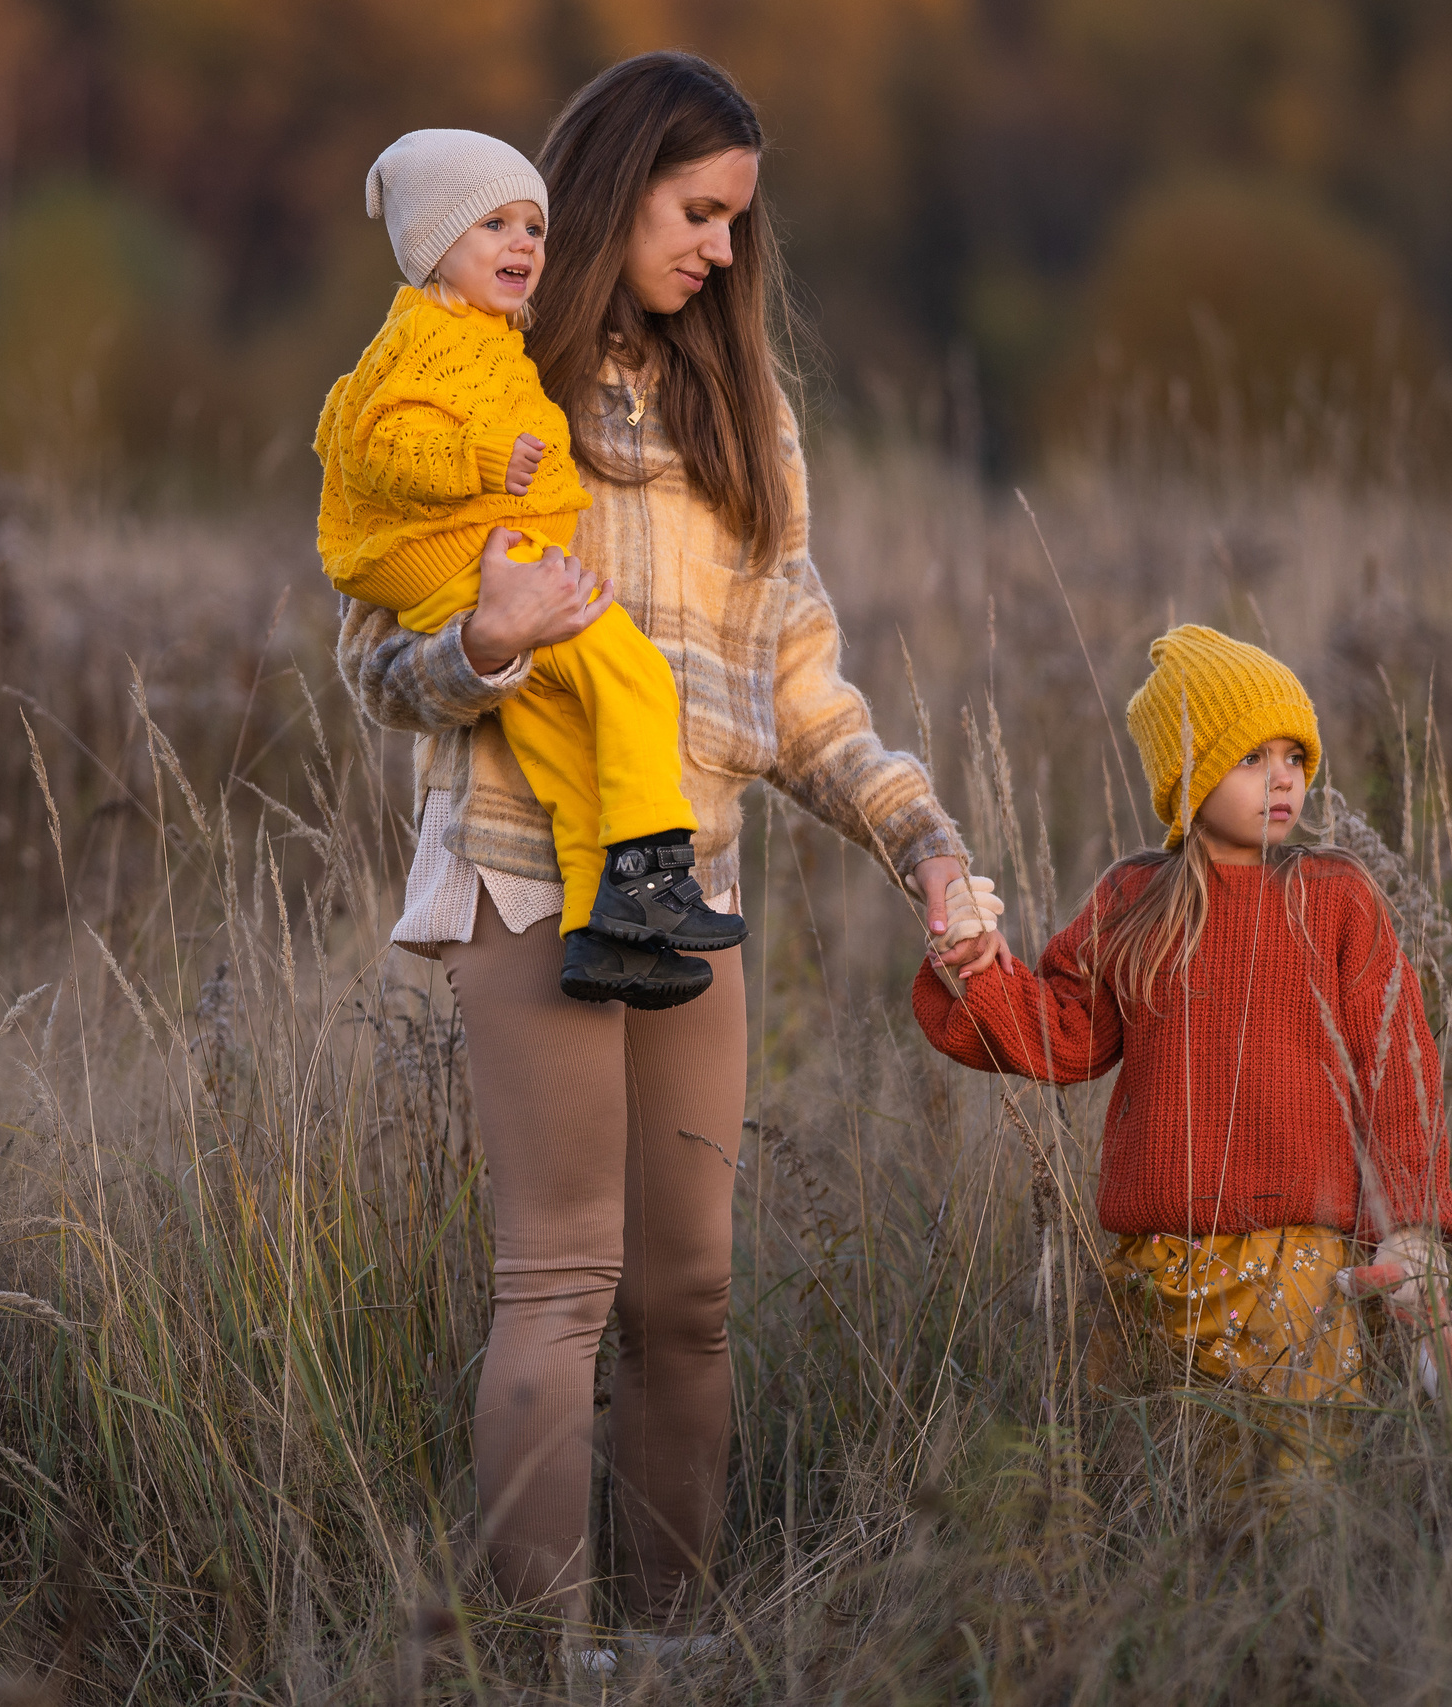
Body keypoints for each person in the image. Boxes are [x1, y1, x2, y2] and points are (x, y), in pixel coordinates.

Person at [336, 53, 994, 1644]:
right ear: (608, 188)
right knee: (560, 1283)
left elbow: (804, 690)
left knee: (687, 1297)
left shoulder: (742, 417)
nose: (716, 246)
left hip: (688, 889)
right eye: (694, 210)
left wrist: (923, 840)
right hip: (526, 870)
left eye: (735, 224)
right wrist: (480, 643)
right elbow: (374, 656)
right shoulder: (489, 381)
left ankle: (672, 1641)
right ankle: (546, 1652)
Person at [914, 625, 1452, 1490]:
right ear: (1190, 773)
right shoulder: (1137, 900)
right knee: (1161, 1483)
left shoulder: (1335, 897)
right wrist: (978, 972)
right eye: (1253, 755)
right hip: (1157, 1264)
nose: (1283, 775)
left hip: (1299, 1267)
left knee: (1298, 1481)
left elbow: (1397, 1063)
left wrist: (1412, 1224)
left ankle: (1297, 1612)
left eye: (1295, 753)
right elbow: (1061, 1031)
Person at [317, 128, 742, 1010]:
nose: (523, 245)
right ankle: (652, 864)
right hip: (473, 573)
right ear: (436, 246)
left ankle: (603, 931)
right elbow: (379, 440)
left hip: (485, 573)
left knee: (555, 739)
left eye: (534, 228)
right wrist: (477, 459)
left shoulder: (489, 333)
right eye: (495, 226)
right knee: (635, 675)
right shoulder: (427, 337)